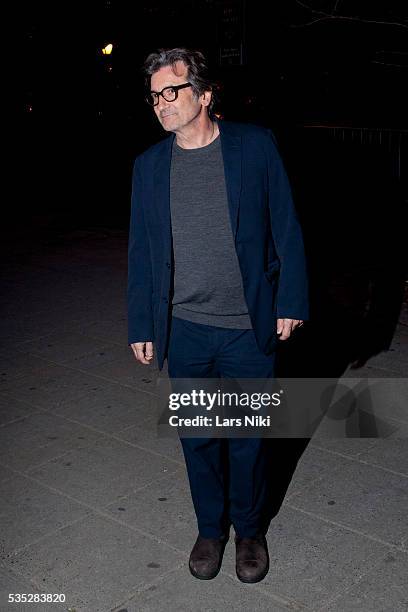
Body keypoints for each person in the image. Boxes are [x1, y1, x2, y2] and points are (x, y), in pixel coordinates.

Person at [127, 48, 308, 583]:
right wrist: (141, 323)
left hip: (246, 326)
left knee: (250, 436)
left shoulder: (254, 147)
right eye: (155, 94)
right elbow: (141, 251)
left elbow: (287, 226)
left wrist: (292, 300)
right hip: (183, 329)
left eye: (172, 91)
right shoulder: (148, 167)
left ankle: (250, 530)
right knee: (198, 437)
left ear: (204, 95)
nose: (161, 104)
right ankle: (211, 529)